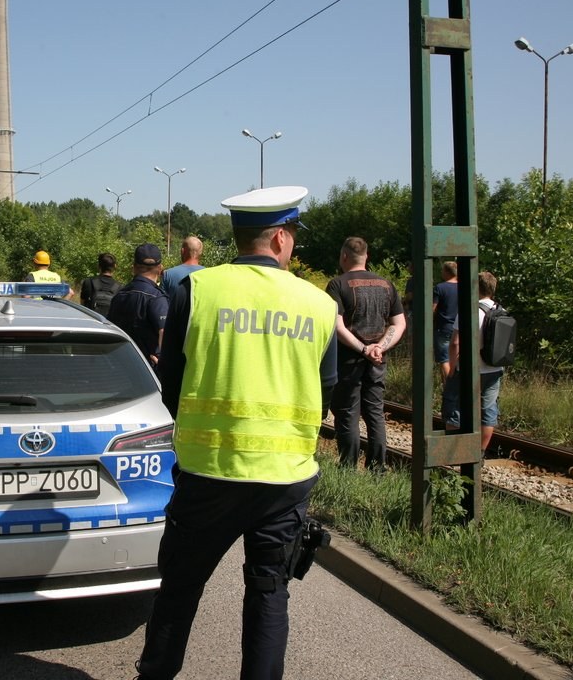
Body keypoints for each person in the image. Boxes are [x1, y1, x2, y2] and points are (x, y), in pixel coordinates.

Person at [135, 186, 338, 680]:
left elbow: (173, 384)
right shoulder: (319, 304)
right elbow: (326, 394)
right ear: (282, 239)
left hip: (208, 474)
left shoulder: (197, 290)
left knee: (179, 589)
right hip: (284, 481)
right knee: (269, 593)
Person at [324, 237, 407, 472]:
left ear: (344, 257)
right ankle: (377, 469)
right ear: (367, 257)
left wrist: (363, 349)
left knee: (347, 415)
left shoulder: (337, 285)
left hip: (348, 361)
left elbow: (337, 326)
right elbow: (399, 324)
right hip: (378, 362)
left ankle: (348, 468)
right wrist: (379, 347)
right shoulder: (387, 285)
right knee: (375, 414)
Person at [441, 271, 505, 452]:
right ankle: (480, 452)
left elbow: (454, 343)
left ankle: (455, 451)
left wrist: (452, 368)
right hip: (493, 369)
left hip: (468, 368)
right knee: (488, 410)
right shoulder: (501, 311)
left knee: (455, 406)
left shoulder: (469, 311)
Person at [107, 244, 169, 369]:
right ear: (160, 269)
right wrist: (166, 362)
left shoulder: (119, 295)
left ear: (133, 268)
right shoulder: (157, 297)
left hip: (119, 364)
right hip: (147, 370)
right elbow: (164, 331)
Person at [432, 260, 459, 380]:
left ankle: (449, 389)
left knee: (444, 359)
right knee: (456, 359)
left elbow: (432, 308)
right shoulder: (463, 287)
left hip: (443, 328)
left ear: (447, 272)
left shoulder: (440, 287)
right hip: (458, 328)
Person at [159, 235, 204, 300]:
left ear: (182, 251)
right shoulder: (209, 275)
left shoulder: (168, 274)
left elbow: (161, 303)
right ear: (200, 253)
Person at [79, 252, 120, 317]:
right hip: (109, 325)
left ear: (98, 266)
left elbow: (82, 305)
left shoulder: (88, 282)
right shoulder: (119, 287)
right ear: (115, 266)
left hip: (91, 322)